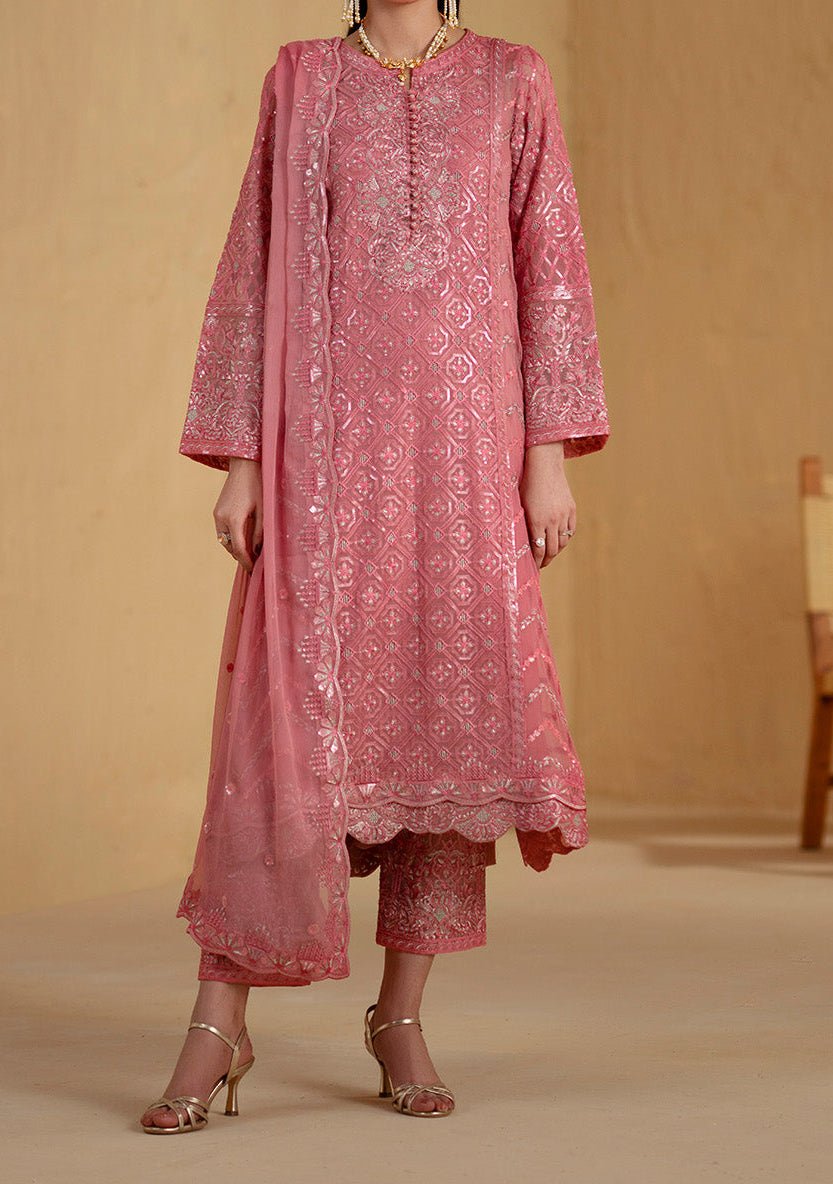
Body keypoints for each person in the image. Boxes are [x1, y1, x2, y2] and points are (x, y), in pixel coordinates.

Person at [140, 0, 610, 1132]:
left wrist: (546, 460)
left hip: (466, 453)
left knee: (446, 724)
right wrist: (243, 462)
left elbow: (548, 269)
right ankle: (218, 1021)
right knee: (280, 730)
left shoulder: (510, 80)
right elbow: (252, 270)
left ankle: (399, 1017)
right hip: (327, 455)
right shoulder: (301, 79)